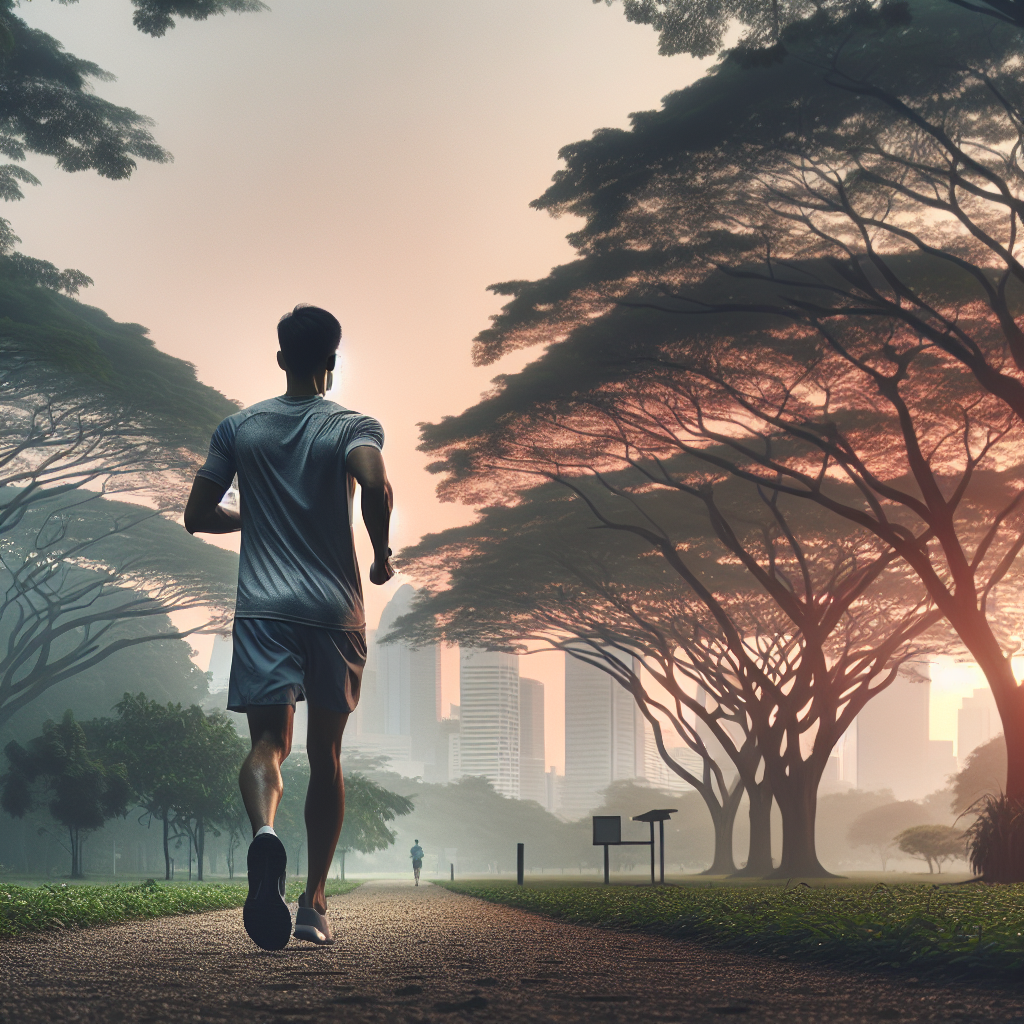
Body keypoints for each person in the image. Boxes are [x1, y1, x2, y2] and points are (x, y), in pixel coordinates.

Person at [184, 305, 394, 950]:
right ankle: (314, 903)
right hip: (334, 611)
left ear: (281, 358)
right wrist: (382, 553)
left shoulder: (238, 428)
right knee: (325, 754)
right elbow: (376, 484)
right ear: (332, 361)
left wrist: (256, 517)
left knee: (268, 743)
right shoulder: (353, 425)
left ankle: (264, 838)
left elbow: (197, 513)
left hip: (264, 609)